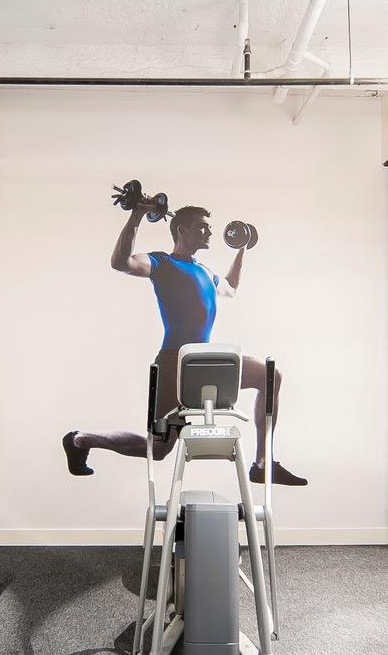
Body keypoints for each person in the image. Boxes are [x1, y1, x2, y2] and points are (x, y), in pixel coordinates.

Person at [62, 199, 305, 485]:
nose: (210, 234)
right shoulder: (162, 263)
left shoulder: (204, 270)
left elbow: (230, 288)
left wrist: (242, 249)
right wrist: (137, 214)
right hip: (173, 364)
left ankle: (263, 464)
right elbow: (121, 263)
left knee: (270, 376)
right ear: (181, 230)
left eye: (209, 229)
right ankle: (80, 440)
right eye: (202, 228)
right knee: (158, 448)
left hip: (202, 362)